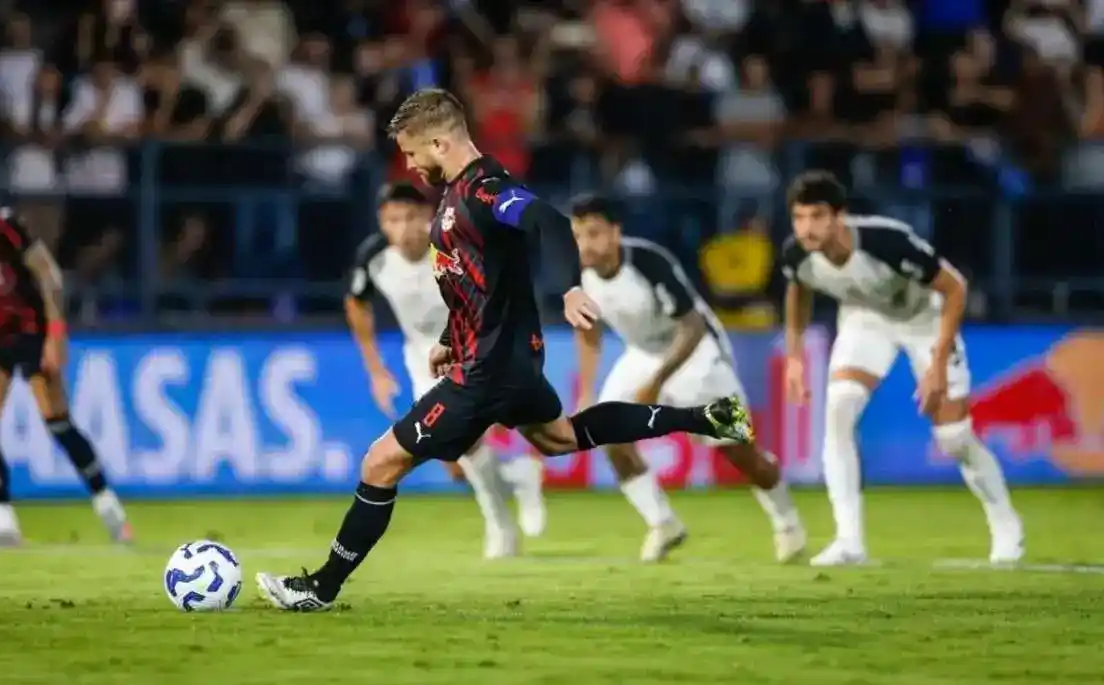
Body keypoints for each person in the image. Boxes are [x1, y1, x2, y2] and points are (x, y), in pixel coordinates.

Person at [256, 88, 752, 612]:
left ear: (440, 143)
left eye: (412, 153)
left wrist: (570, 288)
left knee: (380, 463)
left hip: (489, 368)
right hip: (505, 359)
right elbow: (479, 282)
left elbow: (549, 222)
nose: (410, 165)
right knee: (561, 437)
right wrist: (450, 339)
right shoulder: (456, 196)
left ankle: (321, 588)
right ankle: (705, 417)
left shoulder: (485, 190)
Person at [781, 170, 1023, 566]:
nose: (807, 227)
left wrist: (937, 365)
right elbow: (797, 290)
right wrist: (794, 357)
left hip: (925, 319)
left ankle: (1006, 523)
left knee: (954, 438)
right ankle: (849, 542)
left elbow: (955, 287)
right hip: (866, 320)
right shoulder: (796, 253)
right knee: (839, 411)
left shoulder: (886, 241)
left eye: (817, 216)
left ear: (839, 216)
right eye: (799, 217)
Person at [570, 194, 806, 563]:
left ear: (615, 232)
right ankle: (663, 523)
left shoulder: (648, 262)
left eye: (594, 233)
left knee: (738, 450)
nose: (586, 244)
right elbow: (587, 332)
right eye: (578, 235)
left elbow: (692, 325)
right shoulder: (579, 275)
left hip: (696, 352)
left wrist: (656, 382)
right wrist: (586, 391)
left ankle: (787, 523)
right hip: (643, 354)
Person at [0, 143, 131, 547]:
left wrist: (56, 332)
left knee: (58, 424)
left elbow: (47, 271)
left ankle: (111, 510)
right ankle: (5, 525)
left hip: (31, 332)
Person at [344, 181, 546, 558]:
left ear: (428, 215)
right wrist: (376, 370)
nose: (404, 228)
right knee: (455, 461)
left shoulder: (454, 246)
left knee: (465, 442)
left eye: (411, 217)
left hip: (474, 346)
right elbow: (357, 304)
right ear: (381, 223)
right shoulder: (373, 257)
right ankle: (519, 475)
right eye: (393, 220)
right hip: (423, 359)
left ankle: (500, 526)